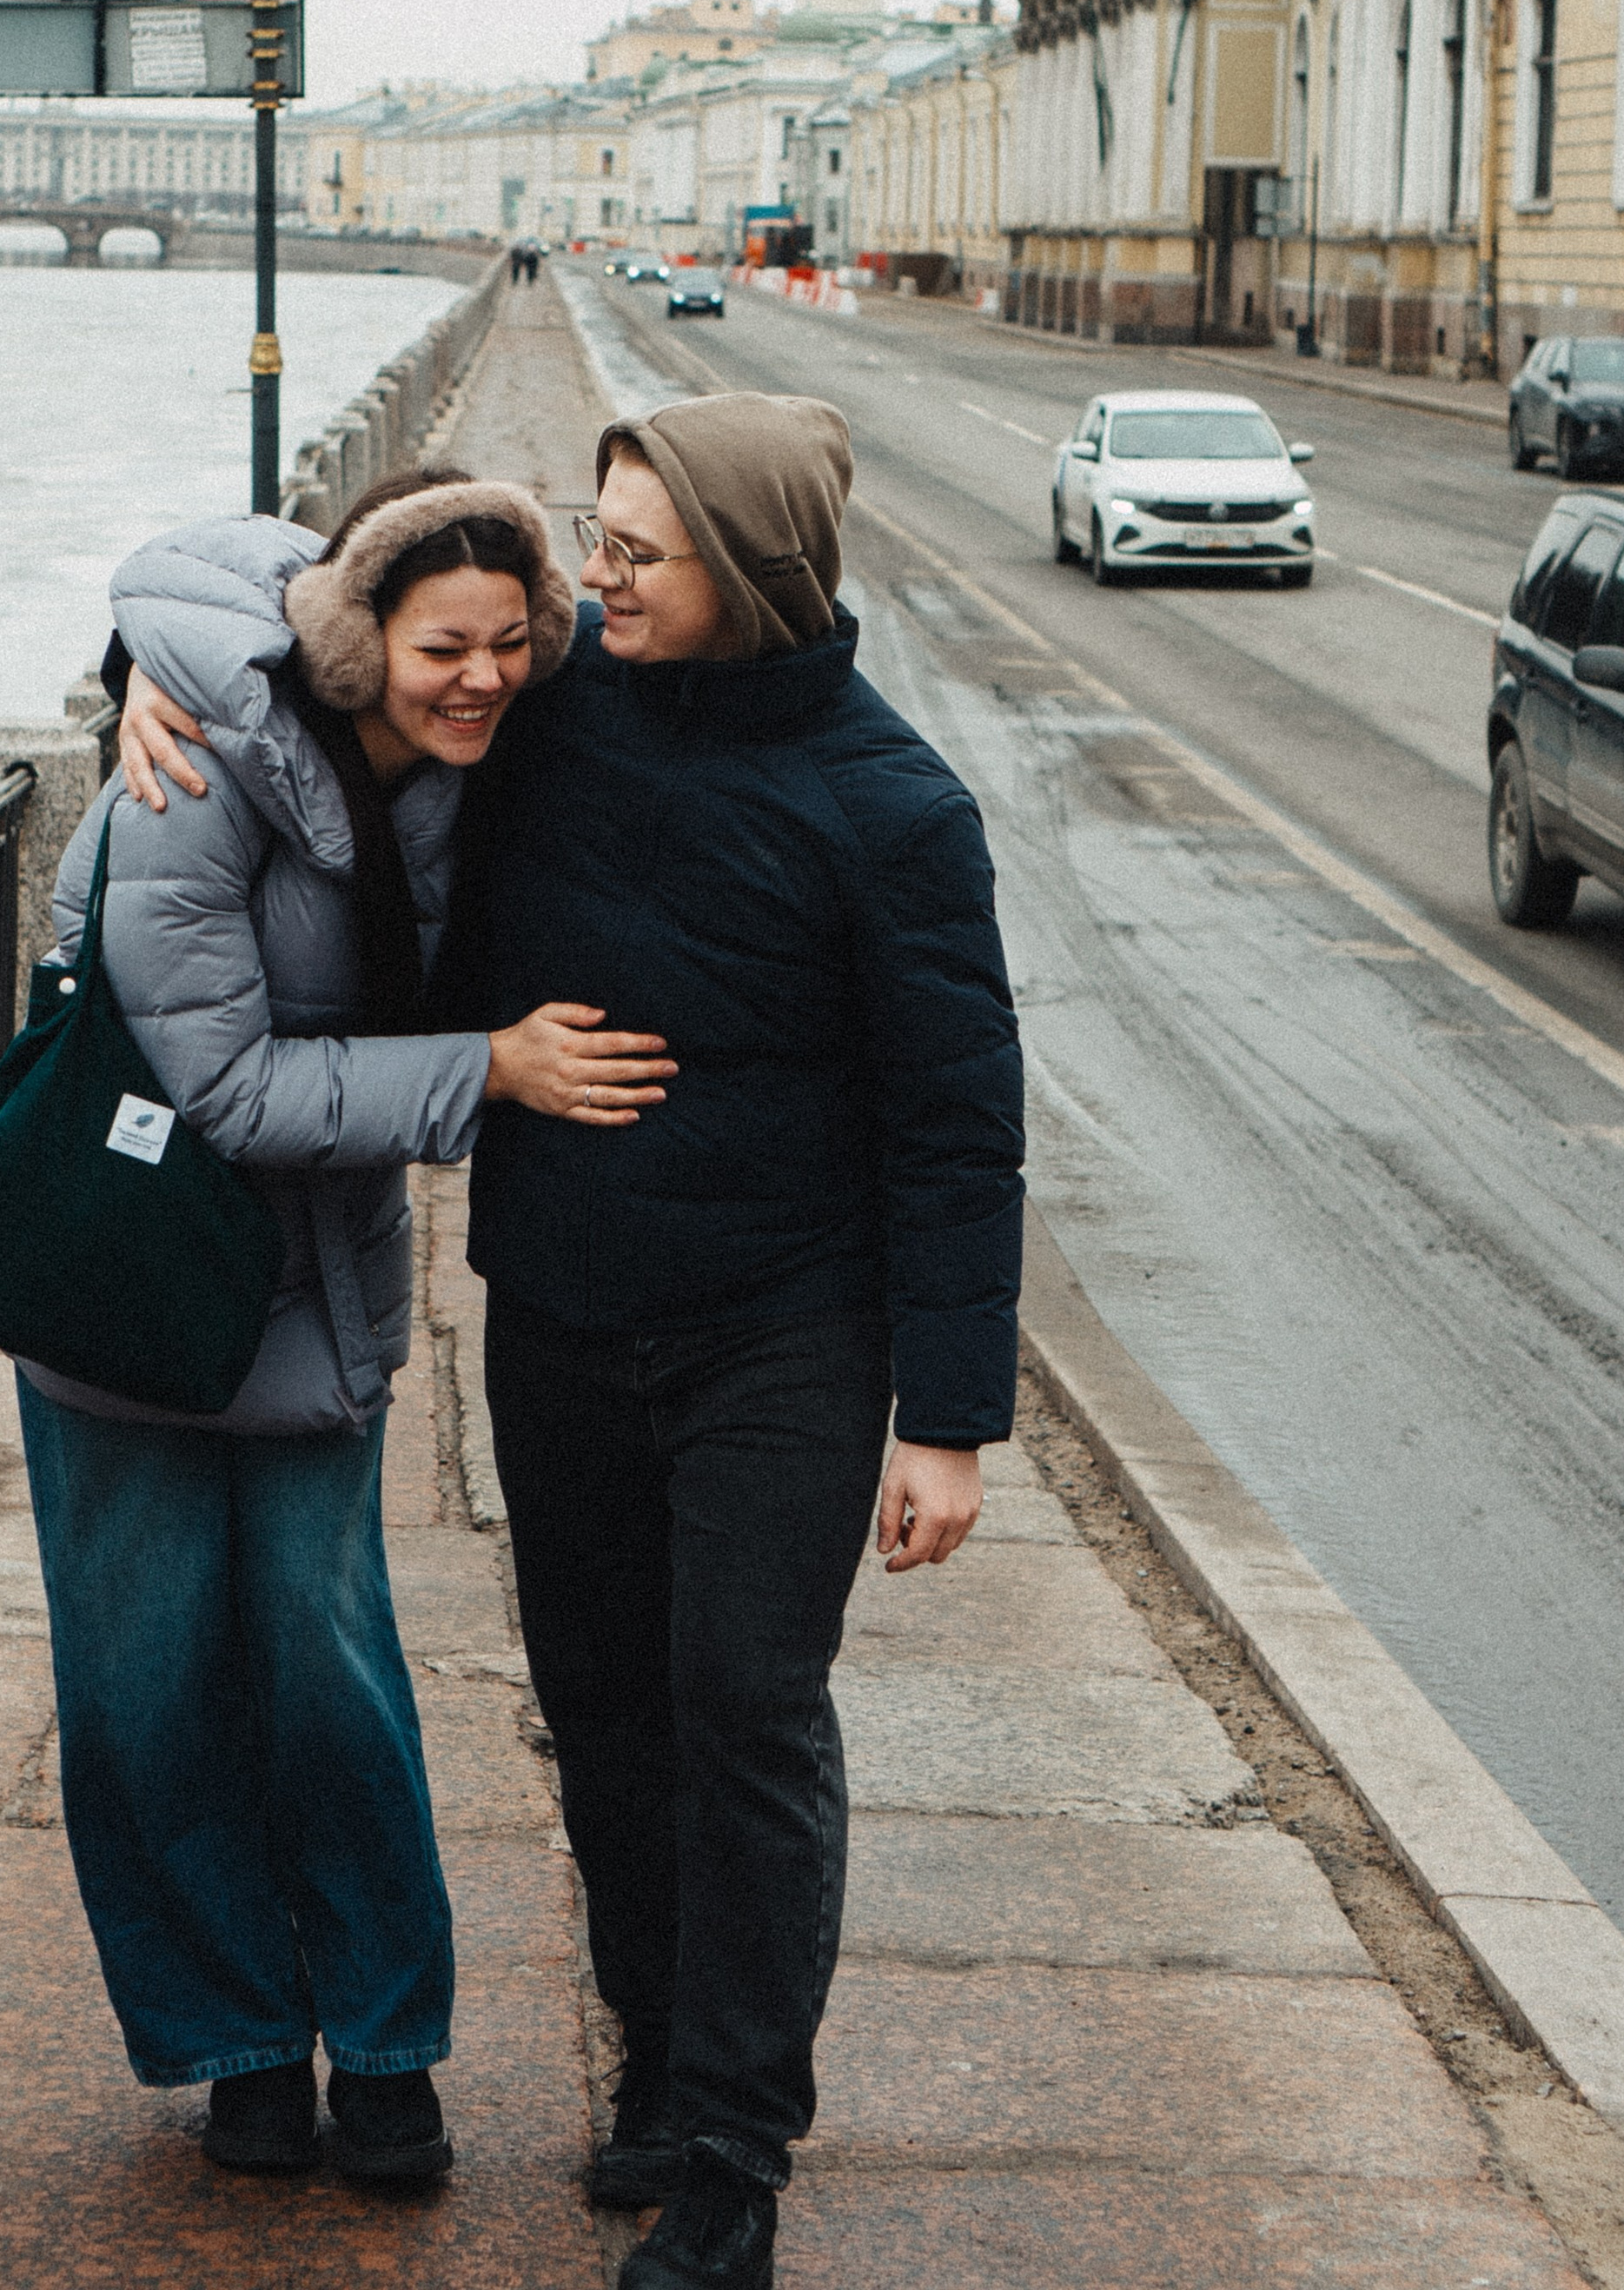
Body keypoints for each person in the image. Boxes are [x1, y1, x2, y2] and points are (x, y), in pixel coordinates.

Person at [116, 394, 1024, 2289]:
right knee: (604, 1711)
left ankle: (733, 2170)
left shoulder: (893, 811)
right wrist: (133, 684)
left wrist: (942, 1420)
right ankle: (661, 2071)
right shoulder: (548, 709)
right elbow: (276, 604)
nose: (578, 590)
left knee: (744, 1716)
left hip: (782, 1333)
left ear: (751, 569)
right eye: (584, 546)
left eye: (627, 554)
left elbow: (954, 1120)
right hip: (557, 1310)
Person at [30, 469, 675, 2188]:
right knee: (145, 1687)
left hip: (312, 1290)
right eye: (435, 648)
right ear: (353, 640)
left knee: (330, 1681)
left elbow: (703, 649)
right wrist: (491, 1071)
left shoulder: (500, 737)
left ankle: (386, 2047)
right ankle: (240, 2044)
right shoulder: (196, 776)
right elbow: (220, 1081)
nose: (474, 676)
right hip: (122, 1260)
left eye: (505, 644)